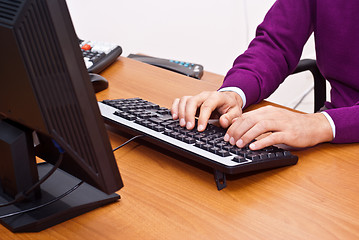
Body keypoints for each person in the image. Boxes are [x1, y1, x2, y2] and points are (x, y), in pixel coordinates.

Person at [171, 0, 359, 150]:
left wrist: (320, 125)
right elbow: (275, 44)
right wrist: (234, 93)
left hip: (336, 129)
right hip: (336, 133)